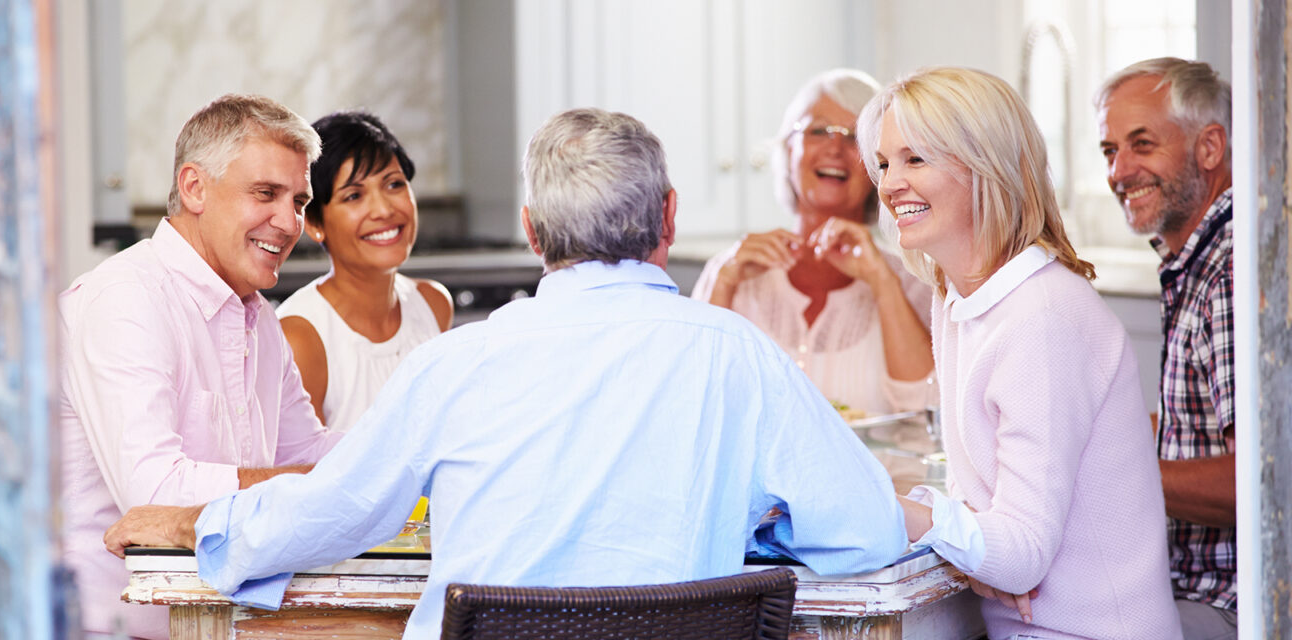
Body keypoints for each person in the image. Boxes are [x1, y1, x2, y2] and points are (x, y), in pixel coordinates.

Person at [103, 107, 909, 640]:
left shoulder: (459, 363)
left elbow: (332, 509)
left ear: (530, 231)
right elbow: (868, 530)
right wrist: (761, 522)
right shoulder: (739, 355)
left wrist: (195, 523)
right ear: (669, 216)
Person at [861, 67, 1182, 638]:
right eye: (885, 163)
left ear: (985, 166)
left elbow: (1022, 554)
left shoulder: (1042, 315)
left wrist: (875, 502)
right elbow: (987, 511)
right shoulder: (960, 296)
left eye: (915, 159)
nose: (889, 185)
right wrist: (974, 544)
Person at [58, 94, 344, 639]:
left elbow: (307, 449)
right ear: (194, 188)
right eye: (266, 194)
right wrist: (322, 484)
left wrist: (410, 450)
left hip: (215, 623)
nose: (288, 223)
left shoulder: (259, 315)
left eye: (300, 201)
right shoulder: (126, 298)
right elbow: (155, 492)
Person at [692, 69, 933, 416]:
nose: (835, 148)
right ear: (788, 152)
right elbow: (694, 400)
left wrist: (883, 285)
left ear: (879, 166)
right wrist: (725, 283)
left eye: (855, 138)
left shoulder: (911, 280)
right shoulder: (729, 270)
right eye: (818, 131)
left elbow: (928, 409)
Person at [1096, 57, 1237, 640]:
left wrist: (1107, 470)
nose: (1120, 172)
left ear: (1209, 148)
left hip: (1230, 606)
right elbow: (1193, 430)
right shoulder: (1195, 261)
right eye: (1109, 151)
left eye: (1142, 145)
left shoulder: (1230, 274)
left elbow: (1256, 481)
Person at [277, 111, 453, 431]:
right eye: (354, 196)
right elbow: (304, 476)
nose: (384, 209)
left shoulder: (433, 303)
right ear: (314, 223)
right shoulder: (300, 337)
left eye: (394, 184)